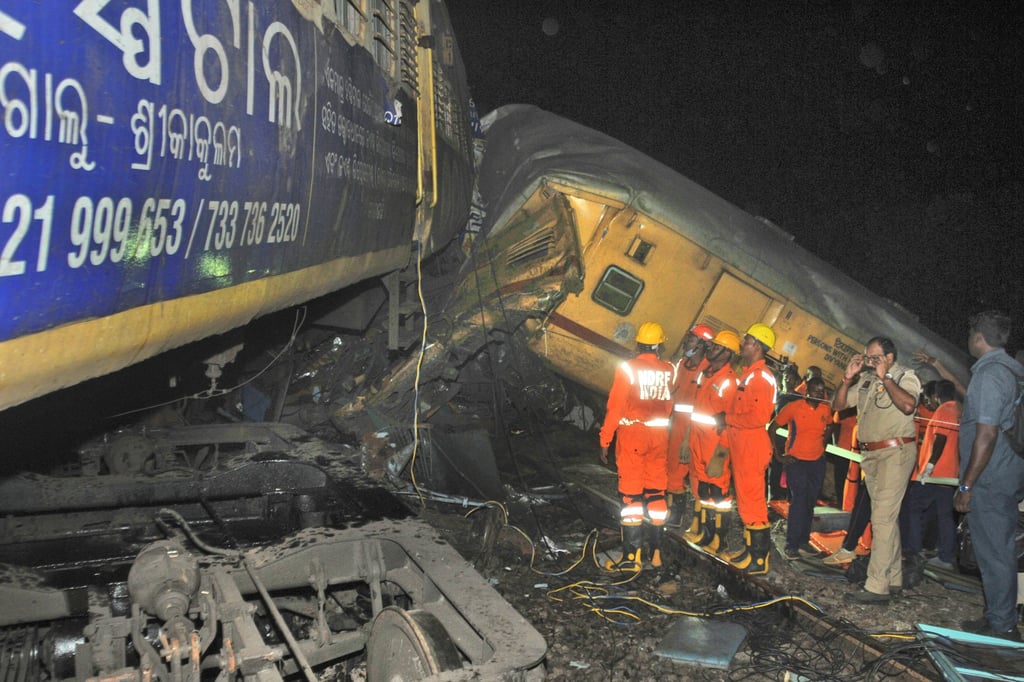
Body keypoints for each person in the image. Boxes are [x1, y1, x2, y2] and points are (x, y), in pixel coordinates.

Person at [834, 337, 921, 604]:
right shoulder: (866, 381)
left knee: (881, 518)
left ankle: (877, 586)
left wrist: (888, 379)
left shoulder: (906, 376)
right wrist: (848, 379)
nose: (870, 362)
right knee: (886, 517)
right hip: (871, 455)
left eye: (875, 358)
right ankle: (894, 577)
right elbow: (838, 406)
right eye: (867, 357)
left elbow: (908, 405)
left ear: (890, 358)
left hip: (895, 453)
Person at [954, 310, 1024, 640]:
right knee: (992, 549)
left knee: (995, 552)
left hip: (990, 478)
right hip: (1006, 473)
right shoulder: (1012, 372)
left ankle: (1003, 629)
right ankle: (997, 615)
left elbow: (987, 434)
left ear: (979, 338)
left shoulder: (990, 374)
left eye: (970, 335)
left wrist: (967, 484)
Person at [599, 322, 676, 571]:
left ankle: (632, 559)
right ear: (659, 345)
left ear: (639, 343)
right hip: (659, 436)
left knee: (631, 496)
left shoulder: (628, 369)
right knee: (655, 493)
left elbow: (615, 408)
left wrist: (605, 440)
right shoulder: (668, 370)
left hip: (634, 435)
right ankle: (656, 554)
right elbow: (668, 406)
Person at [721, 323, 779, 575]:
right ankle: (749, 552)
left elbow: (758, 417)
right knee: (746, 502)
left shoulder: (760, 377)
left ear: (756, 345)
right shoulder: (750, 374)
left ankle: (758, 559)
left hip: (752, 445)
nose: (742, 345)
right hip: (742, 444)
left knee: (753, 503)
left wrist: (728, 418)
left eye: (745, 341)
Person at [682, 330, 740, 555]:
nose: (712, 349)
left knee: (720, 496)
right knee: (704, 491)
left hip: (715, 444)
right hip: (698, 440)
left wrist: (721, 455)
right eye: (713, 345)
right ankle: (705, 533)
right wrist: (686, 439)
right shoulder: (705, 373)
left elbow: (730, 420)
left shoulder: (730, 381)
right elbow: (696, 409)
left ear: (728, 353)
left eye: (717, 347)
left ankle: (719, 540)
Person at [771, 377, 834, 559]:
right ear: (807, 391)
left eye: (820, 391)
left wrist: (824, 444)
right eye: (814, 390)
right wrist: (778, 455)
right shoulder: (794, 407)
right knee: (798, 501)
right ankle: (791, 544)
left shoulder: (825, 409)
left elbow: (830, 425)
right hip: (796, 461)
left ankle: (803, 541)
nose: (817, 394)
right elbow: (773, 427)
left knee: (810, 501)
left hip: (816, 462)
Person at [902, 379, 960, 571]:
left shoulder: (945, 410)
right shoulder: (957, 410)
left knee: (913, 508)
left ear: (936, 395)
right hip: (948, 474)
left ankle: (915, 550)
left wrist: (929, 466)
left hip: (935, 474)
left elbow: (941, 439)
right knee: (944, 516)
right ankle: (945, 556)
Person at [665, 323, 715, 527]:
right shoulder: (682, 364)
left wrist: (687, 438)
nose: (687, 341)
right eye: (689, 336)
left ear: (703, 344)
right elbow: (672, 392)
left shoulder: (706, 371)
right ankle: (671, 514)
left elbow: (700, 407)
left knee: (685, 473)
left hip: (691, 429)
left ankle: (685, 518)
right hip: (675, 424)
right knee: (670, 469)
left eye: (692, 338)